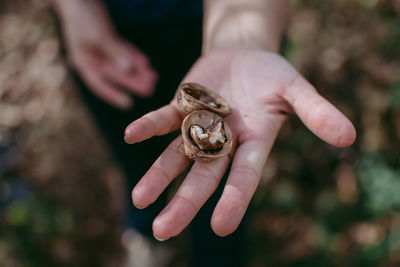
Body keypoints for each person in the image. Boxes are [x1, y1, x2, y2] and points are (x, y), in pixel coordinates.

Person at [52, 0, 356, 265]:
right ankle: (146, 235)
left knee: (221, 189)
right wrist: (73, 5)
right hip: (108, 30)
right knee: (138, 158)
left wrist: (244, 35)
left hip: (203, 27)